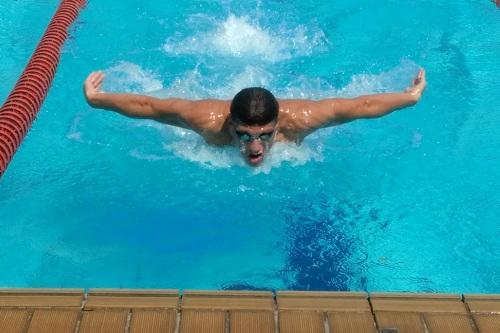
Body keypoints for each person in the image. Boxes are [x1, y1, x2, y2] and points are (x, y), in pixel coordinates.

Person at [83, 69, 426, 166]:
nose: (255, 147)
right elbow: (149, 107)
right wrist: (96, 100)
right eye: (245, 135)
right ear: (231, 125)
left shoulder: (302, 119)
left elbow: (361, 106)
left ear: (279, 125)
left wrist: (409, 98)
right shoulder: (206, 119)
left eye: (265, 135)